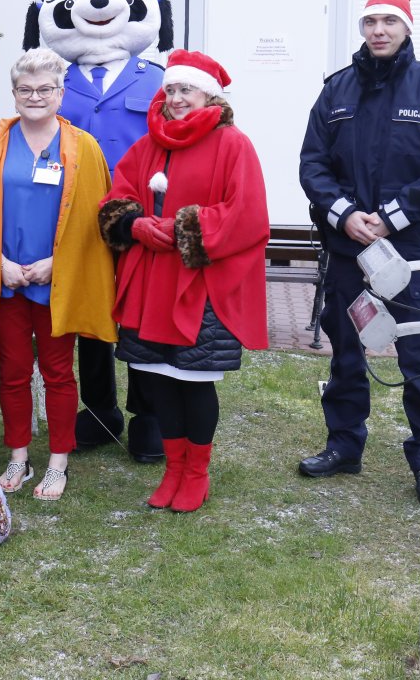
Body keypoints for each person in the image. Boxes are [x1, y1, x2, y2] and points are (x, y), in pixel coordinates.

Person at [298, 0, 420, 505]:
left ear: (407, 28)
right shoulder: (337, 90)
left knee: (418, 355)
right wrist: (344, 214)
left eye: (389, 22)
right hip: (349, 248)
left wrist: (394, 216)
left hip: (411, 248)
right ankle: (344, 445)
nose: (378, 30)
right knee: (347, 349)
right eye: (370, 22)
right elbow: (313, 163)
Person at [0, 48, 117, 502]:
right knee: (12, 373)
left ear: (60, 92)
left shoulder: (84, 149)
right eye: (26, 89)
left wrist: (61, 263)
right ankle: (18, 457)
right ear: (14, 93)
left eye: (45, 89)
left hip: (58, 280)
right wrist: (0, 263)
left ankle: (57, 464)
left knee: (58, 372)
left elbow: (95, 224)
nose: (36, 97)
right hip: (6, 280)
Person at [99, 49, 269, 513]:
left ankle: (196, 473)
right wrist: (133, 224)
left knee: (193, 381)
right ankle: (173, 468)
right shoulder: (148, 144)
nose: (175, 98)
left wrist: (178, 229)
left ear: (208, 95)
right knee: (156, 380)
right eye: (170, 89)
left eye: (185, 90)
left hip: (198, 282)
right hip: (151, 281)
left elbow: (247, 214)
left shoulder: (233, 144)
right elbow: (119, 195)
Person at [23, 0, 174, 462]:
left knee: (139, 317)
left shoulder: (158, 82)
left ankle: (147, 414)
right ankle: (100, 409)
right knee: (87, 315)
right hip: (76, 224)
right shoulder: (53, 85)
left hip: (139, 223)